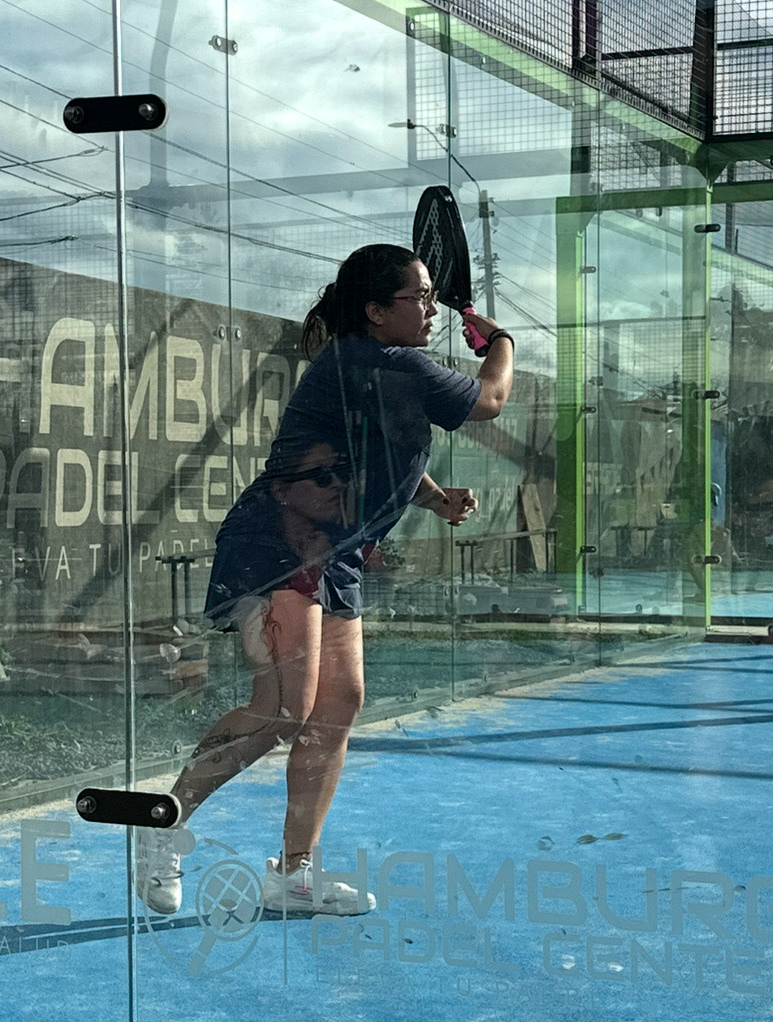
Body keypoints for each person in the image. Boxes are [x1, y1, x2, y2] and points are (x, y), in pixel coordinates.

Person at [136, 243, 515, 917]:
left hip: (332, 554)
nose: (430, 310)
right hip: (280, 546)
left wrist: (434, 499)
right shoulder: (387, 361)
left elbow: (378, 451)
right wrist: (501, 341)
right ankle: (162, 822)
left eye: (432, 297)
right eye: (418, 298)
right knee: (282, 711)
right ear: (375, 311)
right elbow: (490, 398)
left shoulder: (369, 366)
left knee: (340, 703)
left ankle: (294, 876)